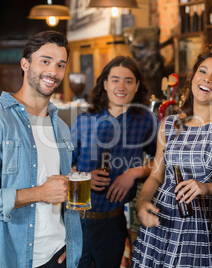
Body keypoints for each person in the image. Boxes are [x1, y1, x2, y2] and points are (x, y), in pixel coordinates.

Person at [0, 31, 82, 267]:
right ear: (25, 64)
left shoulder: (61, 126)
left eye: (60, 65)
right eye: (45, 61)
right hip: (14, 259)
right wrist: (39, 193)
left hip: (59, 255)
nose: (53, 71)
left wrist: (68, 244)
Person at [131, 44, 212, 268]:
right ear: (192, 79)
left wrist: (207, 187)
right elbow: (156, 177)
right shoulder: (169, 124)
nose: (207, 79)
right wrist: (142, 204)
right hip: (162, 224)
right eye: (203, 71)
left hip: (203, 228)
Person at [70, 56, 159, 268]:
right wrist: (83, 178)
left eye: (128, 81)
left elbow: (162, 162)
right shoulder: (84, 120)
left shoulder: (145, 120)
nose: (121, 86)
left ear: (137, 86)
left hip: (114, 222)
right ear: (105, 84)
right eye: (115, 79)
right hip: (76, 222)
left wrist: (134, 173)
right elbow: (62, 166)